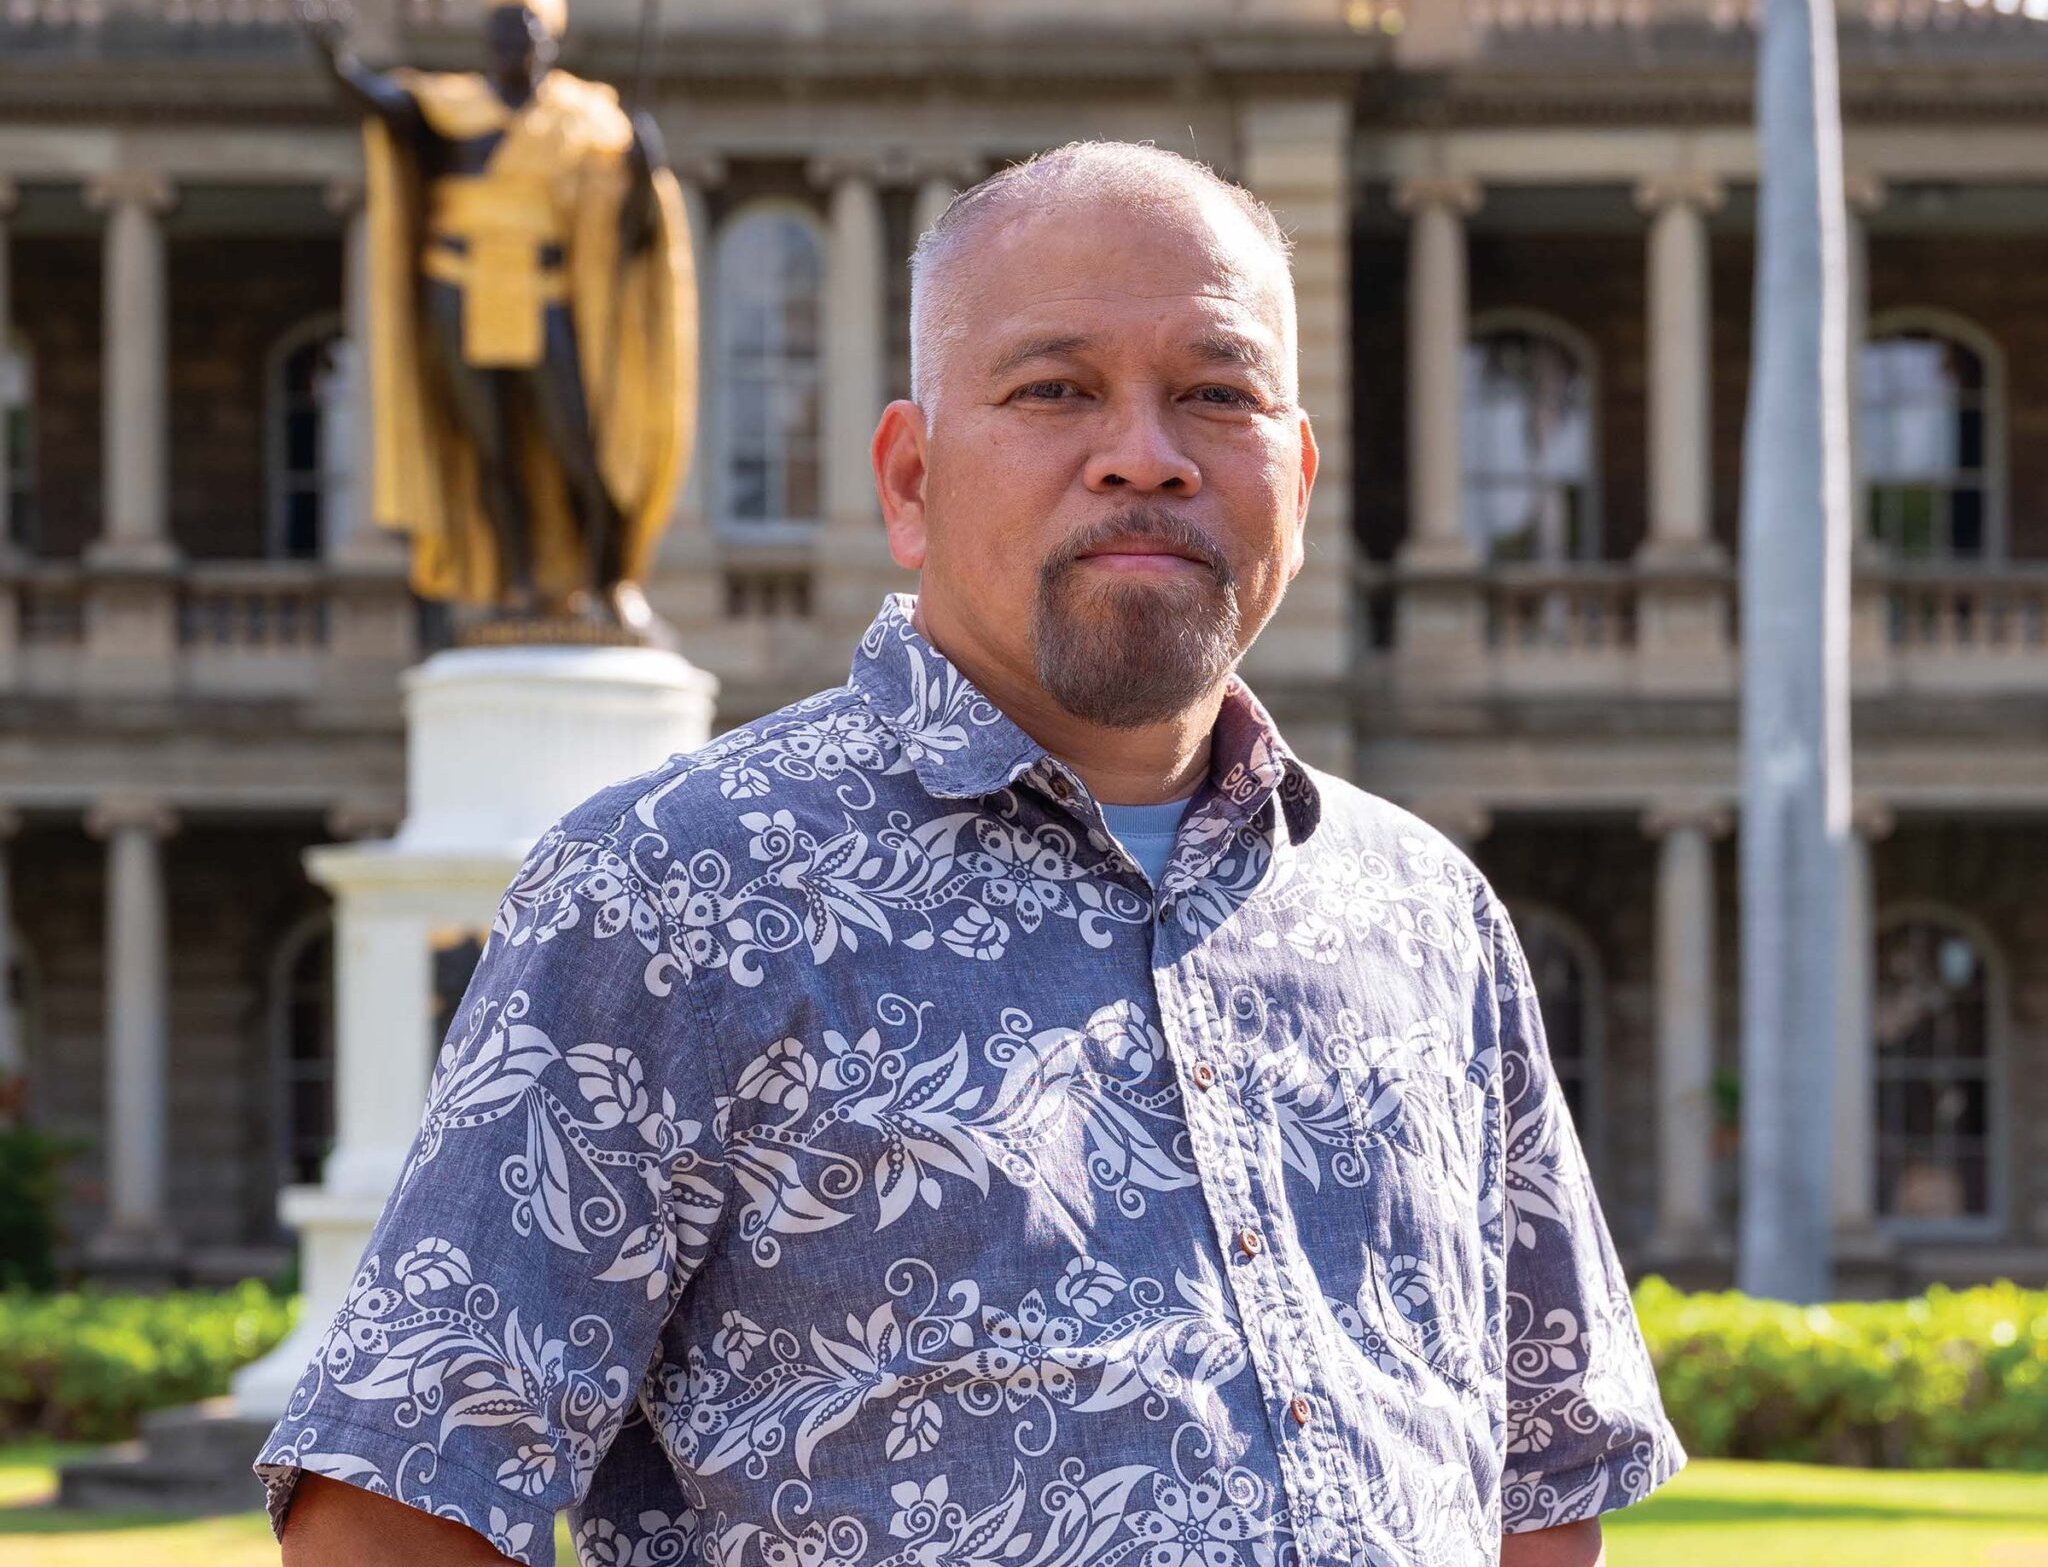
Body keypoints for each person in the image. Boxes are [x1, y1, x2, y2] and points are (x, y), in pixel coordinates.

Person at [259, 142, 1682, 1566]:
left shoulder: (1426, 915)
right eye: (1054, 389)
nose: (1146, 451)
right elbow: (391, 1507)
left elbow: (1536, 1482)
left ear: (1296, 482)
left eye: (1217, 393)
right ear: (911, 479)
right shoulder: (675, 891)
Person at [306, 0, 693, 638]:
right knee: (493, 449)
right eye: (500, 31)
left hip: (546, 295)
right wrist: (339, 64)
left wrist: (645, 162)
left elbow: (631, 226)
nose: (511, 44)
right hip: (461, 289)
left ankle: (609, 580)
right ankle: (520, 583)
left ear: (548, 38)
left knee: (581, 445)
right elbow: (385, 111)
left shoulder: (587, 120)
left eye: (524, 30)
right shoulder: (451, 108)